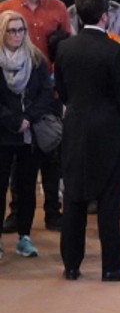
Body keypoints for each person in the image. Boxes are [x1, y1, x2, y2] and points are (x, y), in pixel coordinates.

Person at [58, 0, 120, 282]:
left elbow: (63, 91)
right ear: (105, 17)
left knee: (74, 198)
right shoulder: (114, 51)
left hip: (74, 127)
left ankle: (71, 264)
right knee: (109, 202)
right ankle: (111, 265)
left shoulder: (65, 49)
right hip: (107, 131)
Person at [0, 13, 55, 259]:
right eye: (11, 30)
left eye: (20, 30)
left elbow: (45, 93)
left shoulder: (36, 60)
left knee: (26, 187)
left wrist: (28, 118)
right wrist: (13, 120)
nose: (16, 35)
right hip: (3, 133)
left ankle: (24, 236)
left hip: (28, 135)